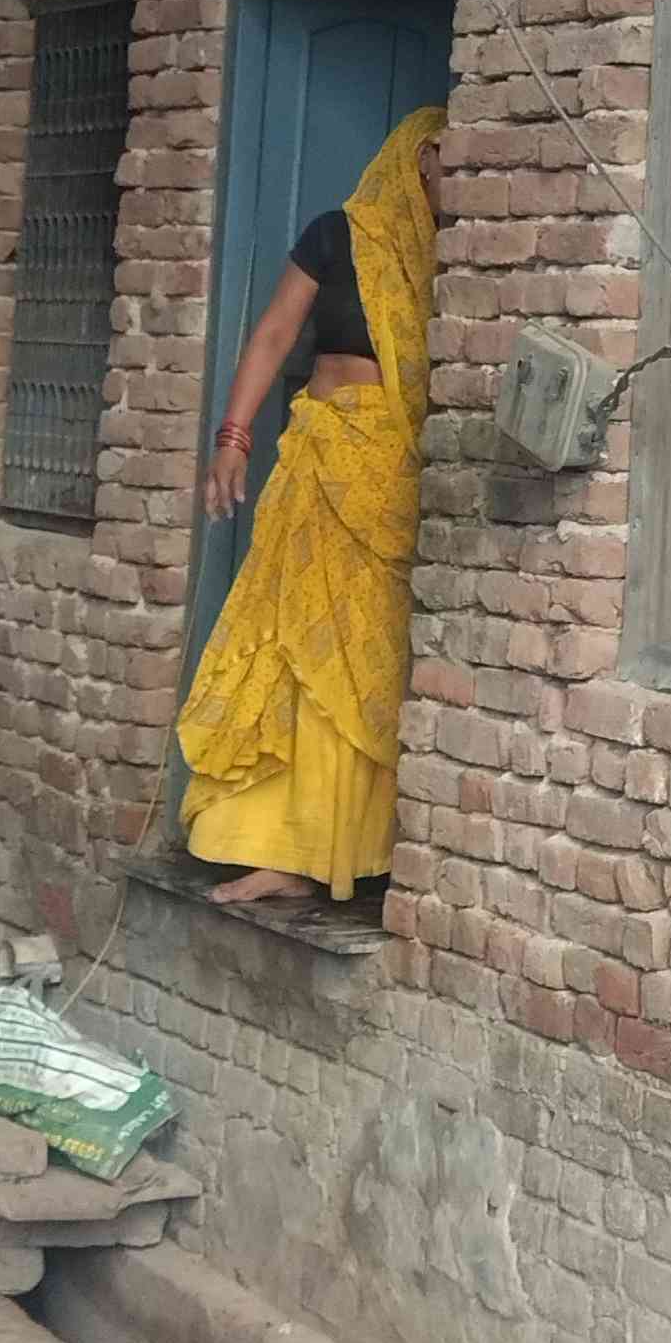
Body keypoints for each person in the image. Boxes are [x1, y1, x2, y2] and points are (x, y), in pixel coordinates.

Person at [179, 104, 447, 910]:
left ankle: (351, 852)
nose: (460, 181)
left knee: (362, 661)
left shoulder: (462, 255)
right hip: (321, 459)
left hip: (391, 481)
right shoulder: (340, 235)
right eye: (450, 163)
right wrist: (233, 437)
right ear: (418, 159)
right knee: (297, 647)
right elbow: (272, 336)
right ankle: (281, 851)